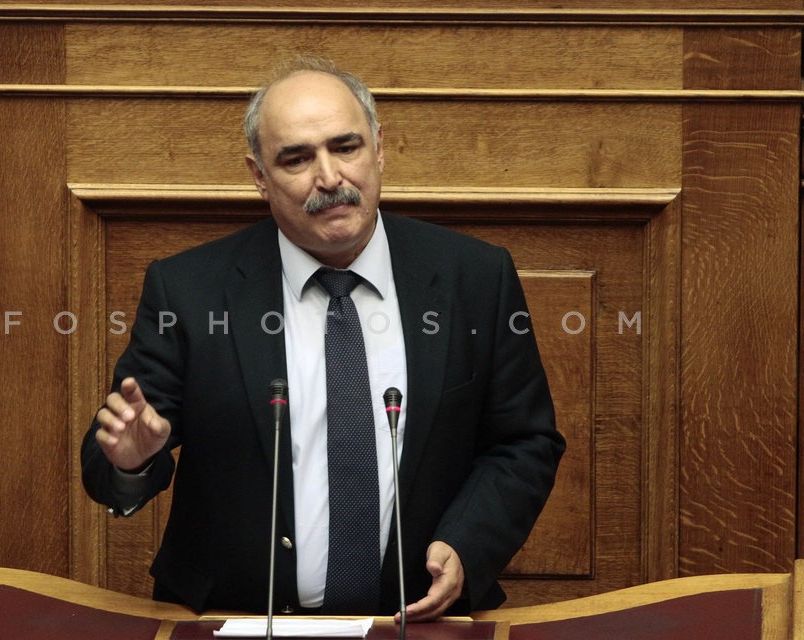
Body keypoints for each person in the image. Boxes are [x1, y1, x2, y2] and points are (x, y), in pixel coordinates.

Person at [81, 55, 565, 620]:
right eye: (297, 158)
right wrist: (132, 463)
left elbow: (524, 443)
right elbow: (112, 454)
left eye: (346, 147)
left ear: (379, 148)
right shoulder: (189, 291)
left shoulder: (475, 278)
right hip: (235, 621)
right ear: (259, 175)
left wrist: (467, 544)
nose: (330, 178)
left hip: (419, 620)